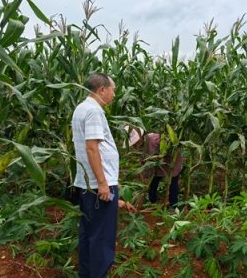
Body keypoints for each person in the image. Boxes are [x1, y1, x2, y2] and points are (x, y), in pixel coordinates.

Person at [72, 73, 119, 277]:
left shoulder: (82, 108)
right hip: (98, 185)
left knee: (89, 235)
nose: (114, 95)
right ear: (102, 90)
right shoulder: (93, 111)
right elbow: (92, 148)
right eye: (112, 90)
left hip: (87, 185)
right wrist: (103, 183)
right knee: (101, 239)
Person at [126, 127, 182, 208]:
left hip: (171, 161)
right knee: (153, 182)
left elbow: (172, 146)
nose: (134, 144)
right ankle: (152, 202)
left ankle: (173, 205)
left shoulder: (154, 138)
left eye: (135, 141)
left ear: (141, 137)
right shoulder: (140, 145)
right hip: (156, 165)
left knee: (173, 182)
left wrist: (162, 155)